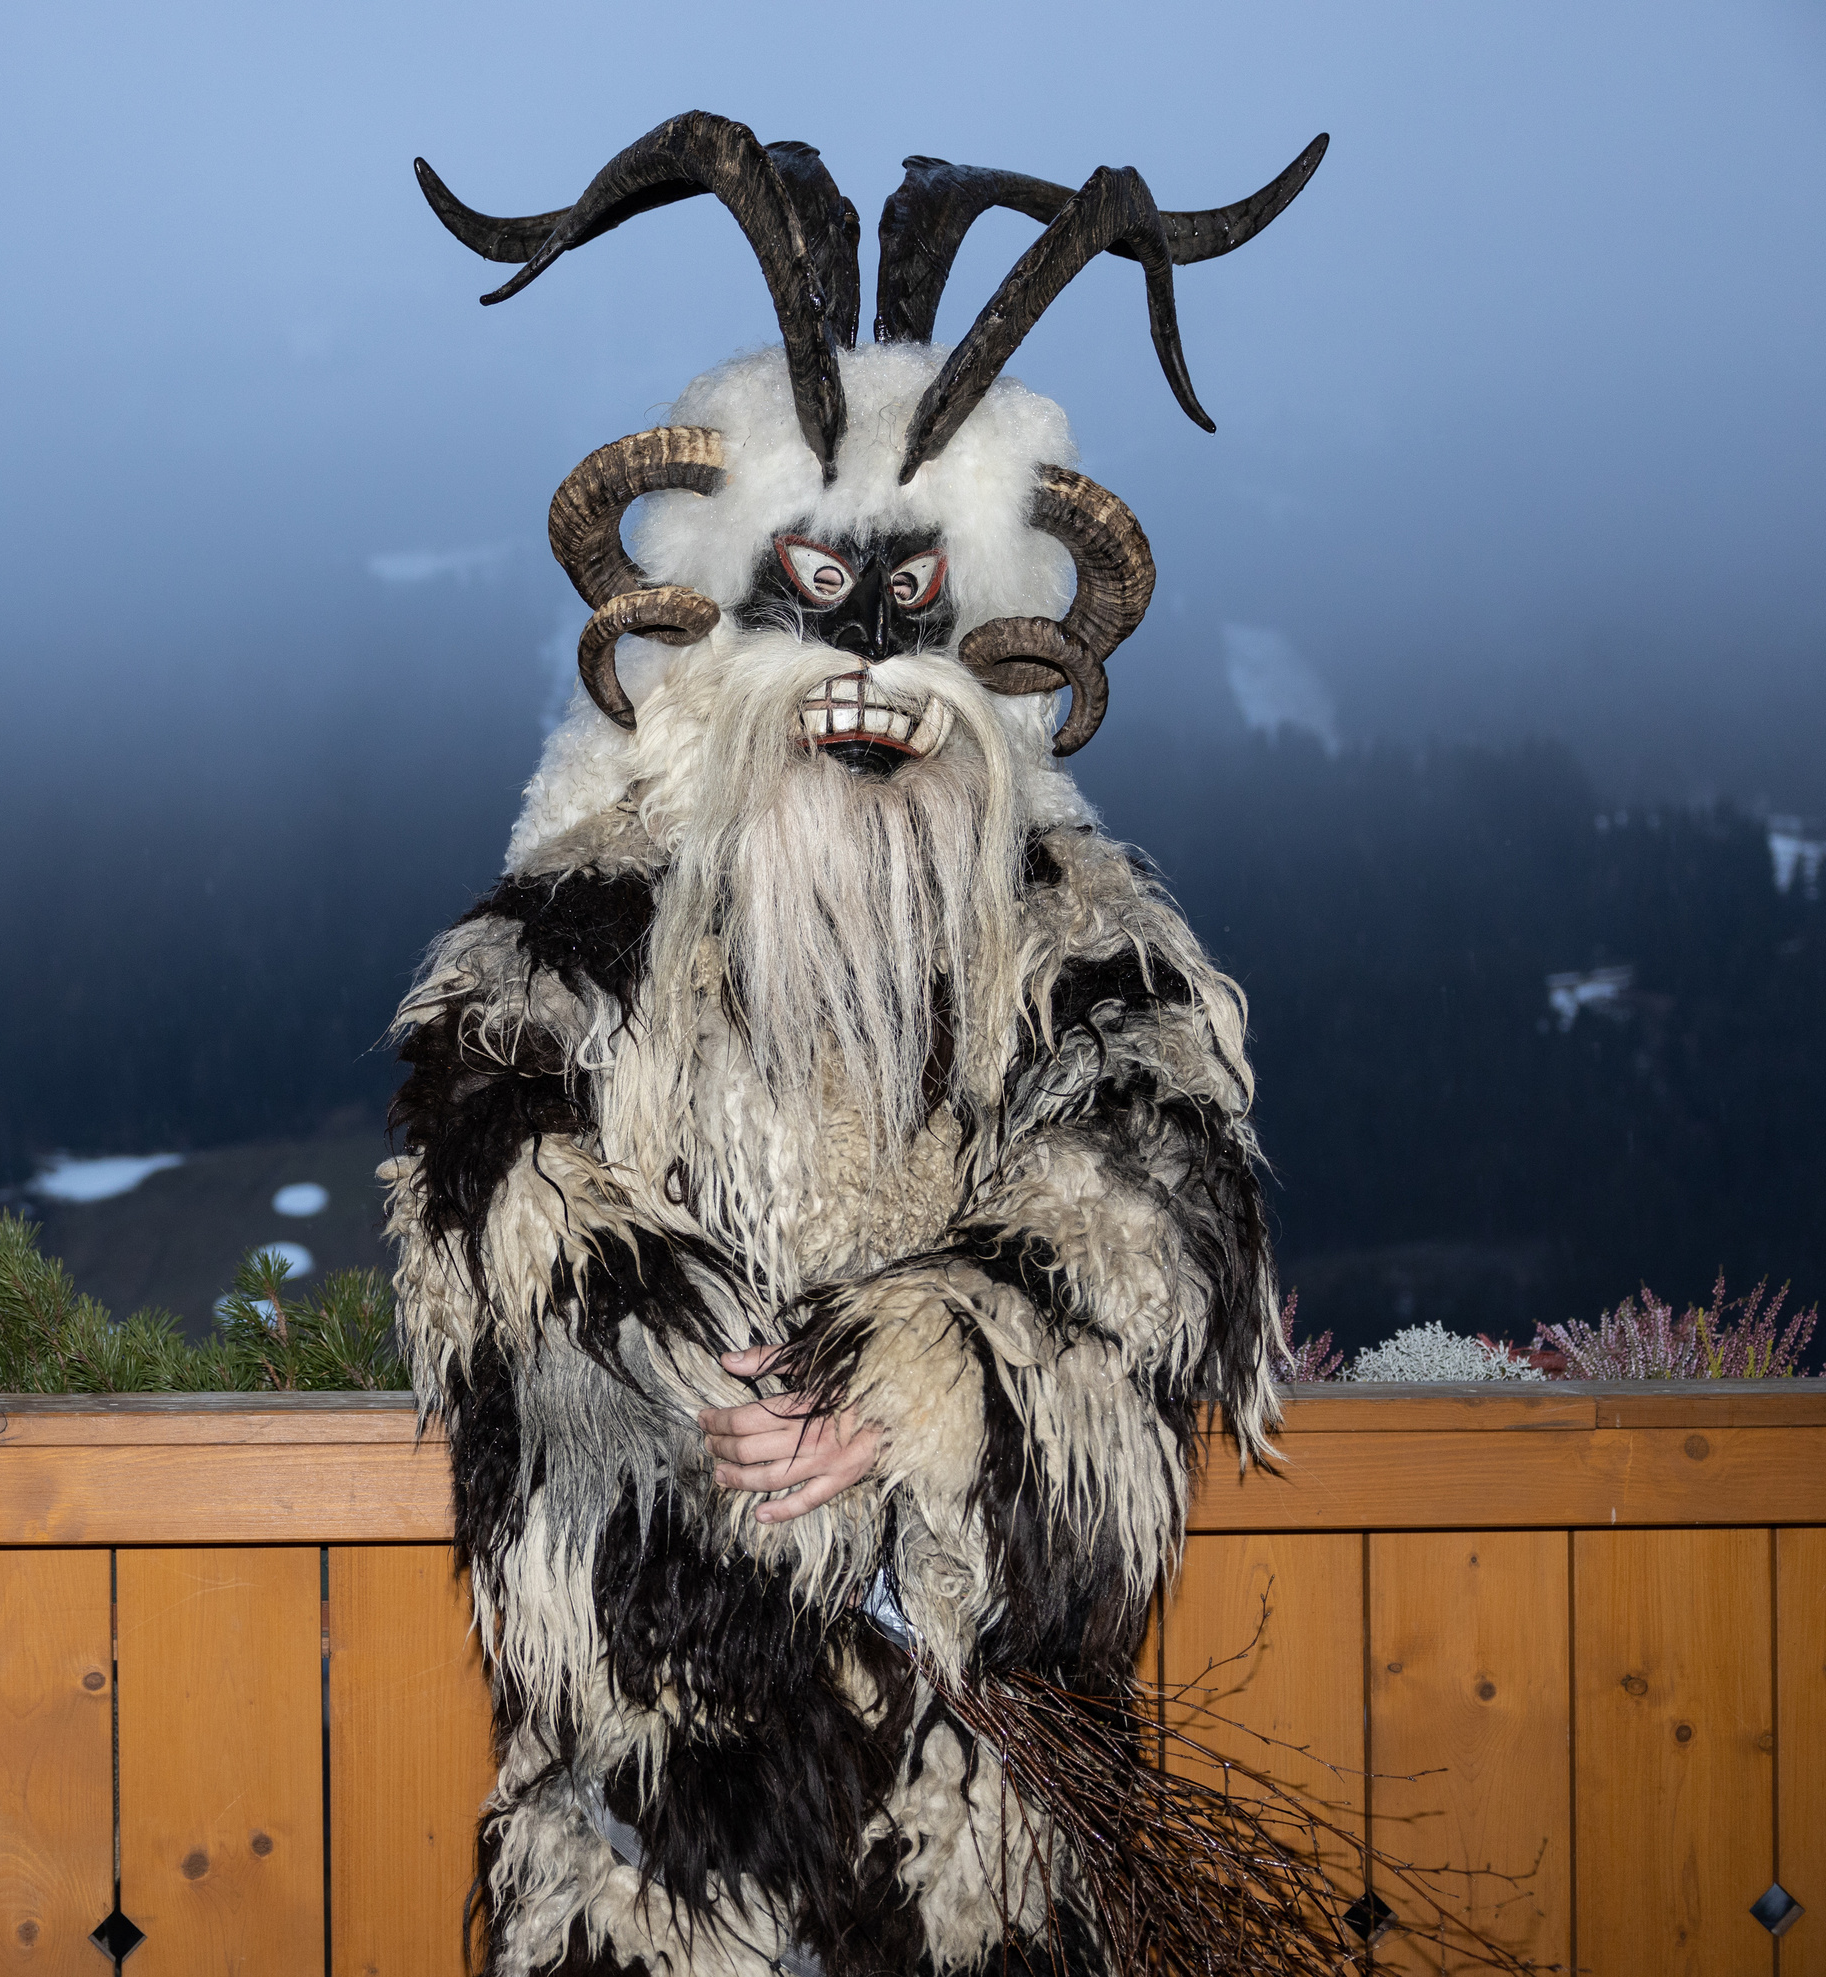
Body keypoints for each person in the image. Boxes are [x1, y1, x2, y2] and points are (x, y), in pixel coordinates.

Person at [388, 112, 1322, 1976]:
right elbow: (484, 1151)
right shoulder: (587, 919)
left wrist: (918, 1373)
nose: (873, 671)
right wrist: (699, 1362)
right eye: (822, 599)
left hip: (988, 1805)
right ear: (724, 609)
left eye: (916, 611)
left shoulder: (1069, 928)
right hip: (656, 1805)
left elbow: (1164, 1184)